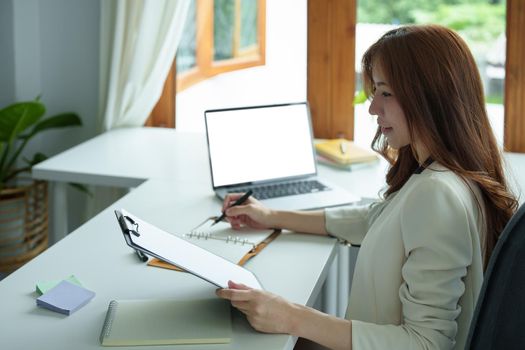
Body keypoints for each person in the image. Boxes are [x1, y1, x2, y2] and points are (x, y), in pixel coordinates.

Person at [216, 24, 518, 350]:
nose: (373, 108)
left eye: (385, 93)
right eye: (375, 92)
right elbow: (374, 220)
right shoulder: (452, 173)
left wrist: (291, 316)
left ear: (431, 96)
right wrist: (271, 215)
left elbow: (426, 343)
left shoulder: (436, 194)